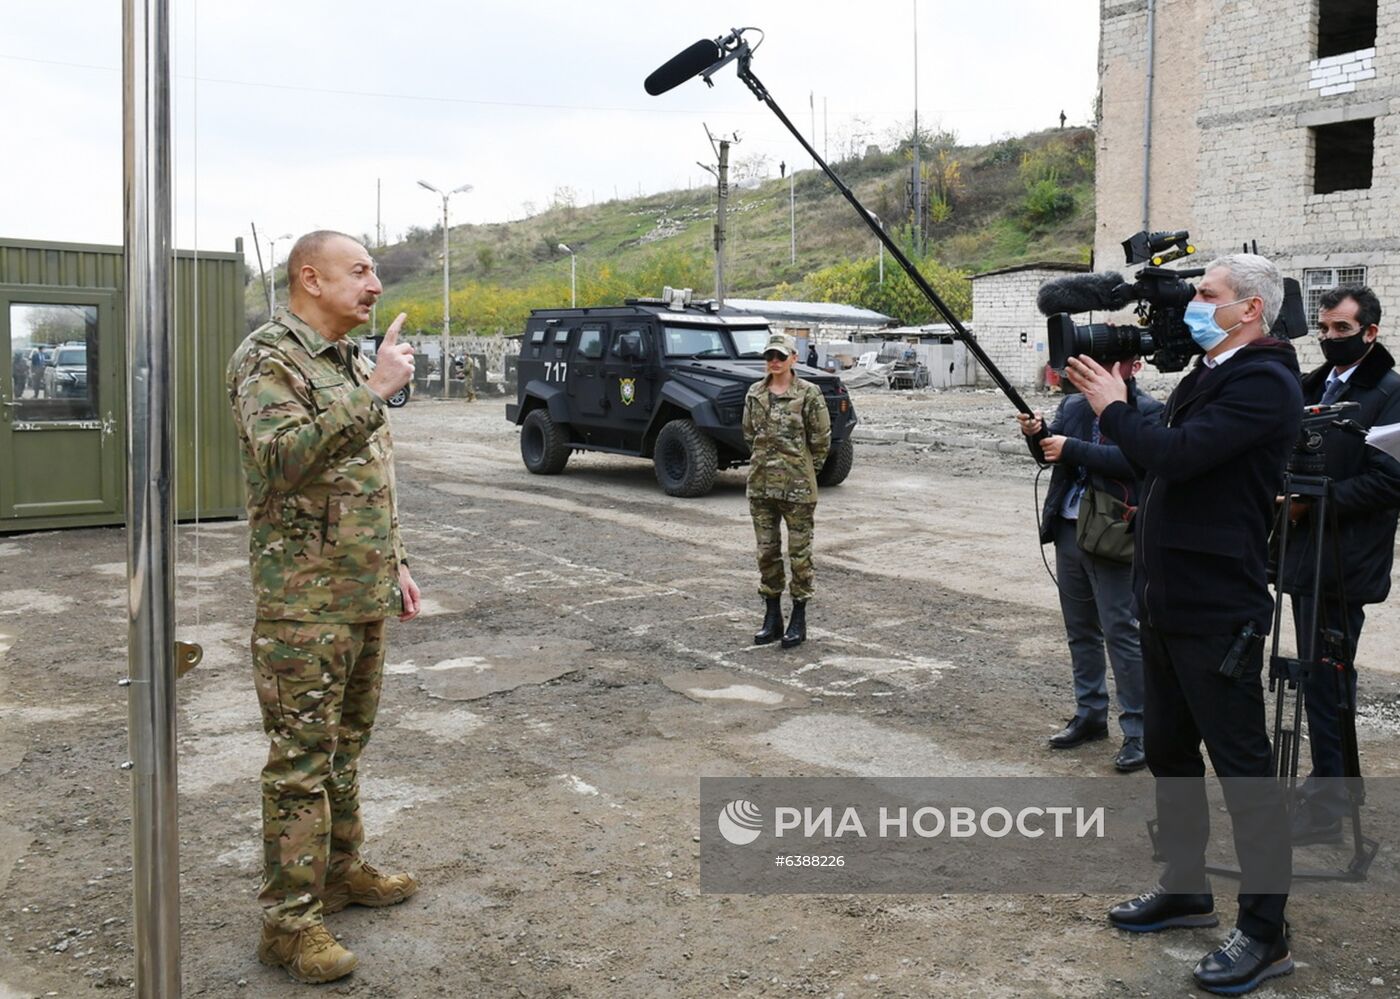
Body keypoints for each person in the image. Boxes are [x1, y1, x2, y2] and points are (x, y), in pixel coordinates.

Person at [1066, 253, 1302, 996]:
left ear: (1251, 309)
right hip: (1166, 600)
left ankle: (1267, 931)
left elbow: (1179, 452)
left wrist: (1112, 405)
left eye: (1208, 294)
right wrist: (1077, 441)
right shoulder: (1209, 373)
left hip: (1217, 607)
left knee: (1244, 771)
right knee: (1170, 753)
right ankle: (1186, 886)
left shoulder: (1264, 380)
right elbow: (1154, 466)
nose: (1194, 305)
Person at [227, 230, 422, 985]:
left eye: (374, 271)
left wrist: (397, 562)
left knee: (345, 747)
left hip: (360, 590)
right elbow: (281, 460)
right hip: (303, 602)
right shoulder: (268, 358)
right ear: (310, 277)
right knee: (302, 761)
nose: (376, 284)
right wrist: (373, 392)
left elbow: (367, 477)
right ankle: (288, 923)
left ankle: (339, 873)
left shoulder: (341, 360)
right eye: (361, 271)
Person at [1279, 284, 1400, 844]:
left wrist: (1310, 501)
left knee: (1328, 680)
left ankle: (1328, 805)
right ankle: (1331, 786)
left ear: (1370, 332)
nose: (1330, 340)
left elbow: (1388, 480)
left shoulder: (1392, 394)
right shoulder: (1310, 385)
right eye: (1324, 330)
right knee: (1313, 677)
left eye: (1342, 331)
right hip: (1303, 553)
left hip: (1347, 565)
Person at [1017, 357, 1162, 772]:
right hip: (1069, 528)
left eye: (1110, 365)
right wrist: (1038, 435)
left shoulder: (1148, 412)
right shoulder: (1076, 408)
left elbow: (1138, 462)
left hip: (1115, 535)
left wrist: (1070, 447)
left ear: (1133, 367)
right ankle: (1090, 713)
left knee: (1121, 632)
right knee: (1080, 628)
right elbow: (1052, 457)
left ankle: (1139, 731)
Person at [743, 331, 831, 649]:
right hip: (762, 486)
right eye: (770, 357)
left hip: (797, 490)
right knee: (766, 553)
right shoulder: (755, 393)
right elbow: (749, 434)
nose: (775, 362)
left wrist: (805, 470)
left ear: (794, 358)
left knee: (799, 556)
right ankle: (772, 617)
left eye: (781, 356)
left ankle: (798, 617)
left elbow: (821, 441)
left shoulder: (809, 393)